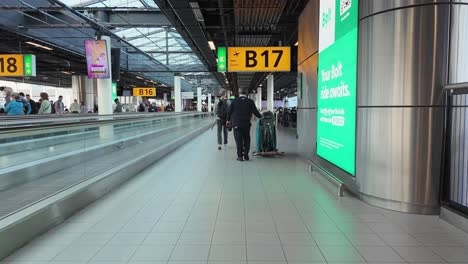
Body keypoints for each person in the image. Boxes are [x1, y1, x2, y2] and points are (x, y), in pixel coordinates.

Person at [226, 87, 262, 161]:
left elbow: (229, 112)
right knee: (247, 139)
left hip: (236, 124)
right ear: (246, 93)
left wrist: (227, 120)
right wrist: (261, 117)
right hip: (246, 124)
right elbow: (256, 112)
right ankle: (246, 154)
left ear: (239, 93)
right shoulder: (250, 101)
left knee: (238, 140)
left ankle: (240, 156)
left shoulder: (234, 101)